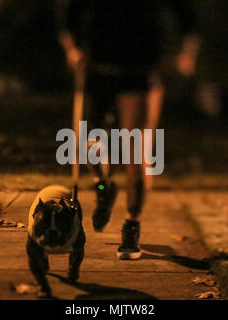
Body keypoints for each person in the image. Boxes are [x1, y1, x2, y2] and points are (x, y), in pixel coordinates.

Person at [57, 0, 199, 260]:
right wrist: (72, 49)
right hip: (98, 71)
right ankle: (104, 187)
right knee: (90, 148)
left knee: (136, 150)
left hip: (141, 73)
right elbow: (69, 16)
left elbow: (187, 17)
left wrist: (186, 53)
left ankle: (132, 224)